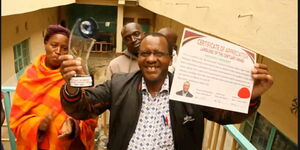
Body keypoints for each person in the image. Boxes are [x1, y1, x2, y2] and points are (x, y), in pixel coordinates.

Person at [59, 32, 273, 150]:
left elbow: (224, 115)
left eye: (159, 54)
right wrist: (71, 85)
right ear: (139, 57)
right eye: (145, 53)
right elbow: (82, 109)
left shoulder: (191, 89)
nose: (151, 59)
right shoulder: (118, 84)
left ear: (170, 59)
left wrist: (251, 98)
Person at [9, 25, 97, 150]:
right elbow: (16, 122)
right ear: (45, 44)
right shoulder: (28, 78)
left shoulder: (77, 74)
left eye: (64, 48)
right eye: (54, 45)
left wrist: (74, 124)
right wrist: (37, 125)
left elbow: (91, 114)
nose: (58, 51)